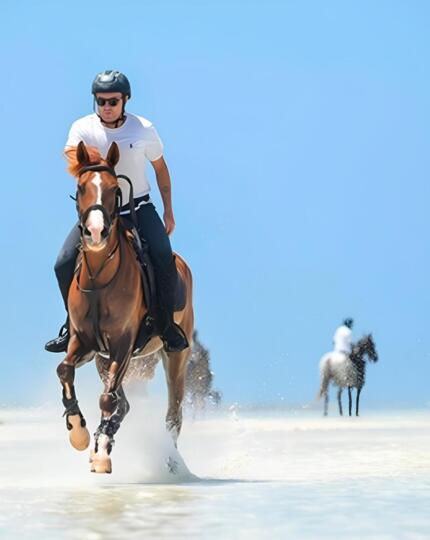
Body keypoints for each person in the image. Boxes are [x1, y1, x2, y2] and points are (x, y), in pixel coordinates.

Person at [45, 70, 188, 353]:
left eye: (113, 101)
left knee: (162, 255)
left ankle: (165, 325)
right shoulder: (82, 128)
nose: (107, 107)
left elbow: (161, 169)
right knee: (62, 262)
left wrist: (168, 211)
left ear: (125, 100)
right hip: (98, 212)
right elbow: (71, 155)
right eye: (101, 102)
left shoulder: (143, 129)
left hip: (138, 207)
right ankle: (71, 325)